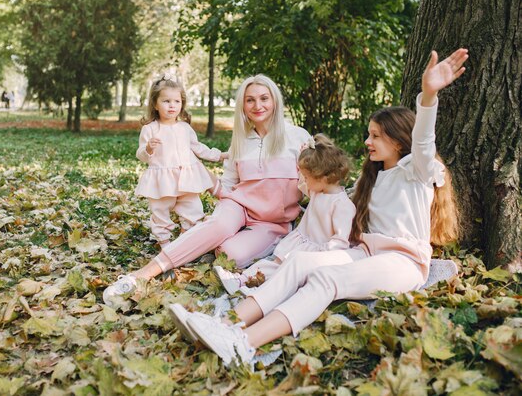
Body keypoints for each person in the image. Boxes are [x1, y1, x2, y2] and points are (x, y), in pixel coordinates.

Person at [169, 48, 468, 366]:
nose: (368, 142)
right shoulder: (373, 177)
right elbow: (332, 196)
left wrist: (428, 95)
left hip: (402, 263)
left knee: (325, 280)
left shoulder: (416, 171)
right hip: (364, 253)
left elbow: (424, 139)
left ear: (398, 140)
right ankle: (224, 324)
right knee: (299, 263)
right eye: (369, 134)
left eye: (376, 136)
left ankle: (242, 343)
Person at [103, 74, 311, 304]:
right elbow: (231, 184)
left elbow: (314, 186)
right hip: (239, 206)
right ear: (243, 105)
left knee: (228, 255)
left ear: (275, 101)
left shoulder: (298, 137)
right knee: (216, 226)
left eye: (264, 98)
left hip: (272, 222)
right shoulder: (241, 140)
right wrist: (217, 196)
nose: (257, 105)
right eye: (250, 100)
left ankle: (248, 239)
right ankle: (139, 276)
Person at [214, 133, 355, 295]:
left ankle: (259, 290)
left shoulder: (342, 205)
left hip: (315, 251)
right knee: (273, 264)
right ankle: (242, 279)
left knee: (283, 273)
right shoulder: (318, 191)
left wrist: (319, 255)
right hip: (301, 241)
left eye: (308, 177)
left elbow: (340, 242)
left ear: (324, 177)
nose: (305, 180)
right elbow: (302, 184)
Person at [134, 76, 227, 249]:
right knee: (160, 211)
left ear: (182, 104)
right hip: (162, 180)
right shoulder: (150, 129)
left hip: (187, 178)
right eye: (166, 101)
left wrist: (219, 155)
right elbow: (142, 155)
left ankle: (185, 240)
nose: (172, 105)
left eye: (177, 101)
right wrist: (148, 148)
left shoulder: (184, 128)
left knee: (193, 209)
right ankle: (165, 243)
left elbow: (198, 147)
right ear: (155, 104)